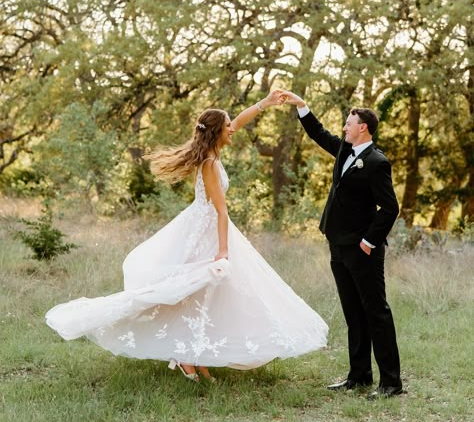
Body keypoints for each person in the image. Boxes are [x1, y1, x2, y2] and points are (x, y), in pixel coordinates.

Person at [46, 92, 328, 382]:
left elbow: (237, 123)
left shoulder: (214, 153)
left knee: (206, 294)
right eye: (227, 126)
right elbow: (221, 211)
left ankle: (195, 355)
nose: (233, 129)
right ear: (218, 132)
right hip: (204, 231)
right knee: (190, 292)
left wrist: (265, 103)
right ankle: (186, 357)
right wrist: (223, 251)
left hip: (204, 225)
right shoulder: (209, 164)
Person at [281, 92, 402, 399]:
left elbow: (390, 209)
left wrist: (368, 241)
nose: (345, 127)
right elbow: (319, 134)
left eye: (349, 123)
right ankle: (359, 376)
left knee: (376, 312)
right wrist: (300, 105)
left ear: (363, 127)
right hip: (338, 245)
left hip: (363, 250)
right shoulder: (345, 150)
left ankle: (391, 382)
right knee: (353, 313)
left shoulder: (377, 162)